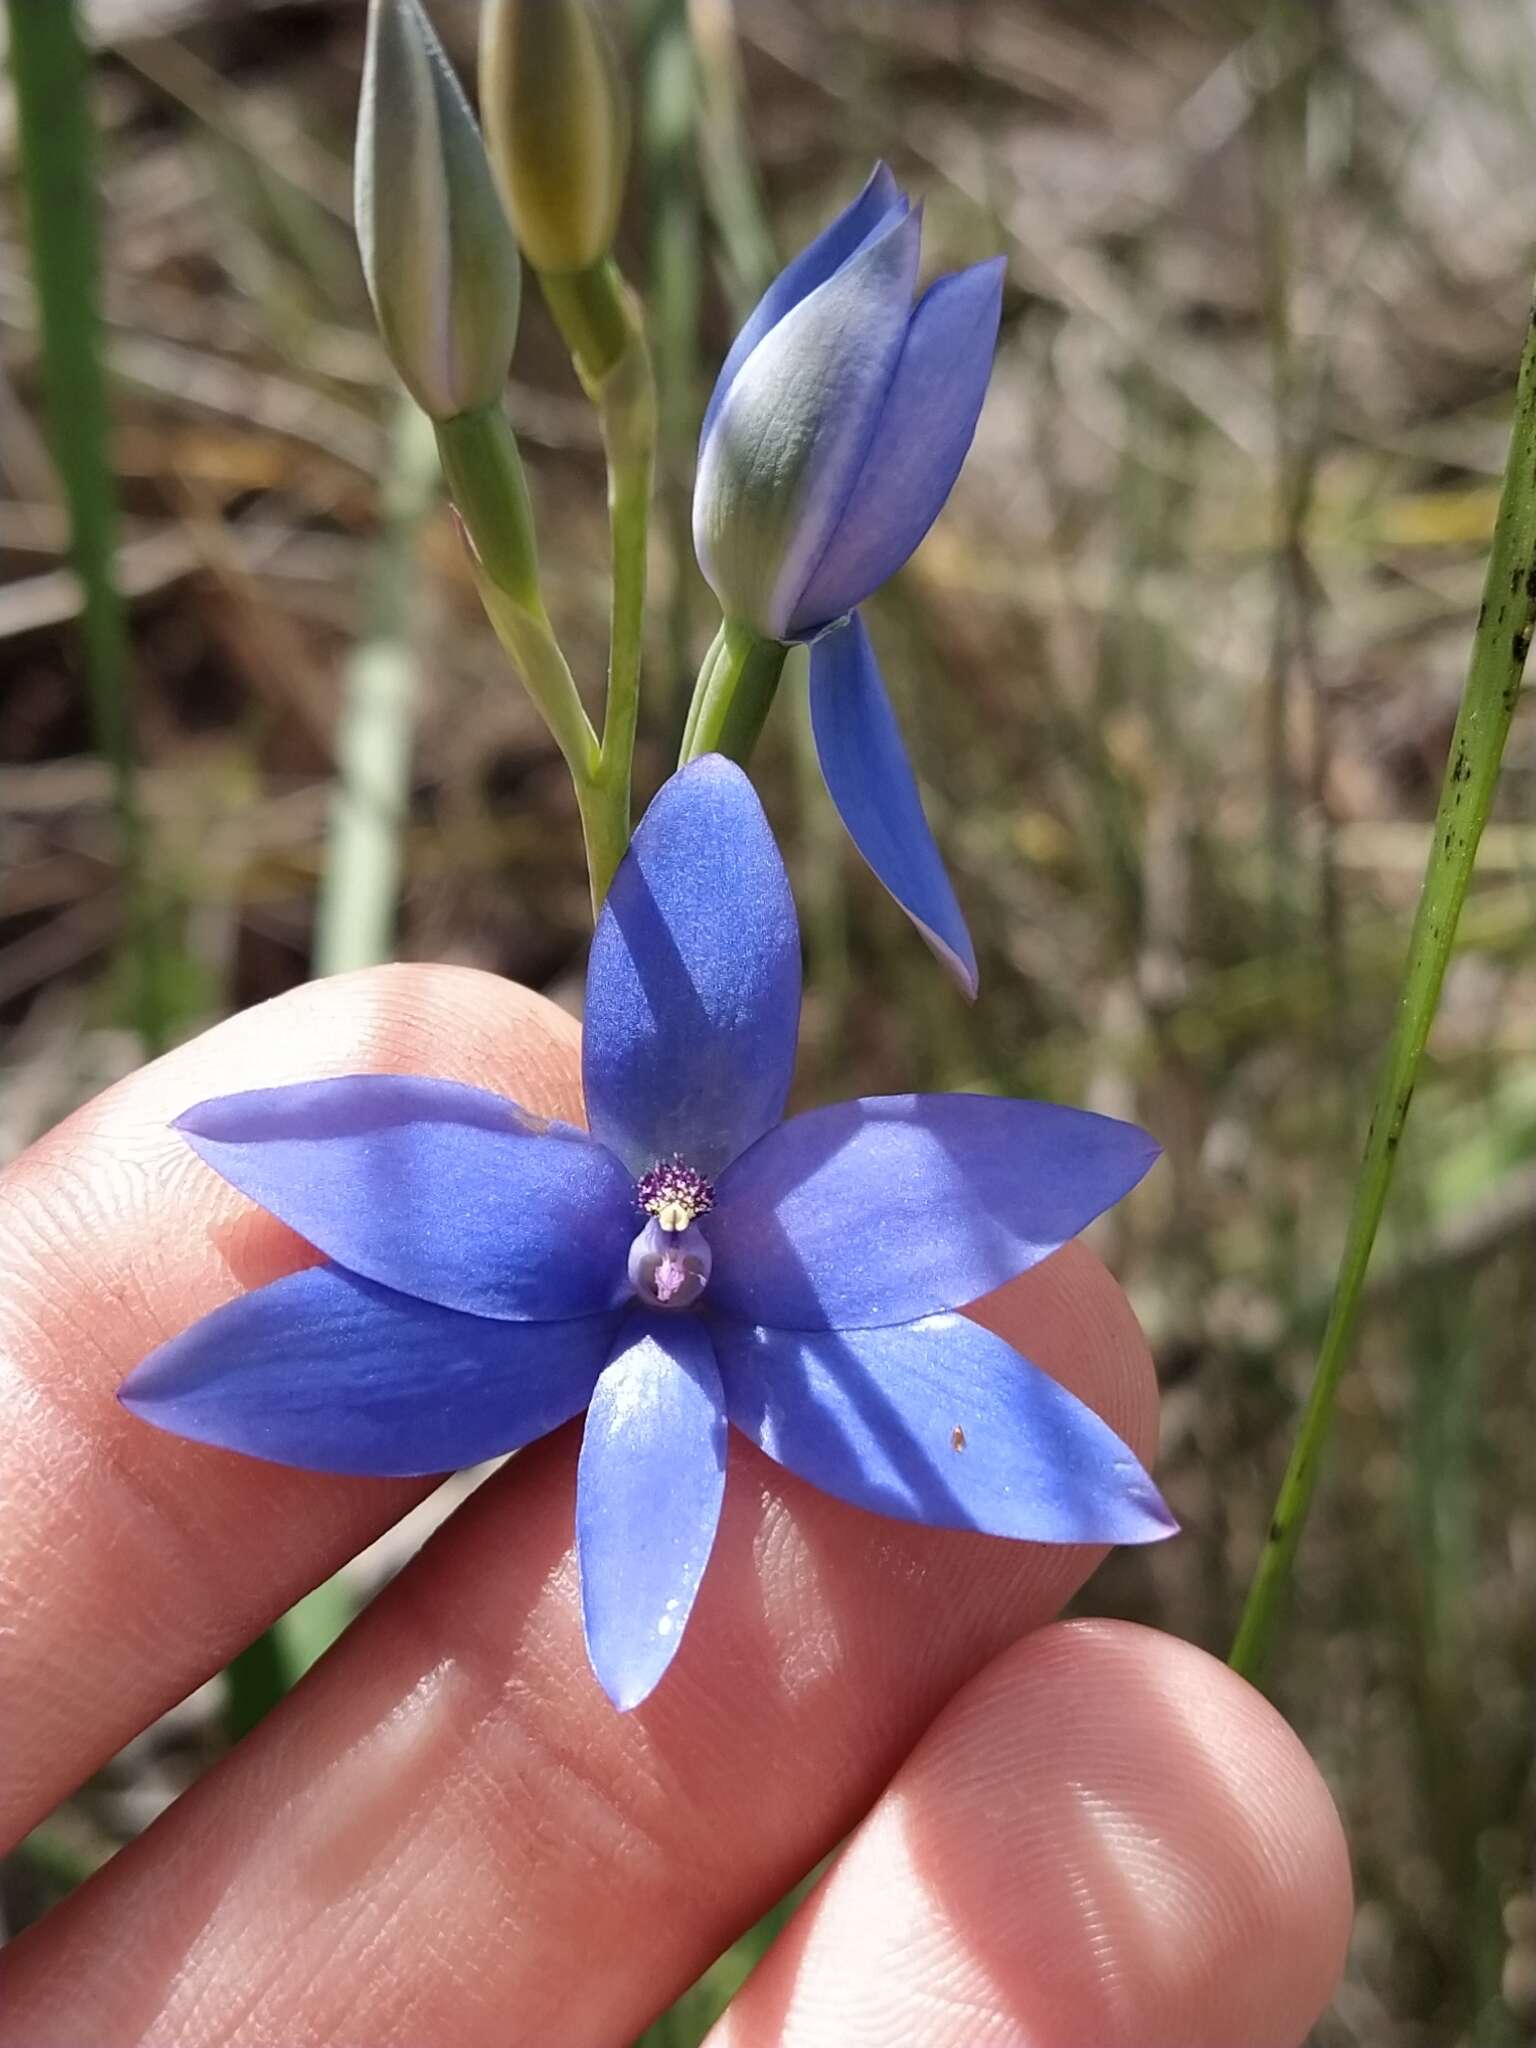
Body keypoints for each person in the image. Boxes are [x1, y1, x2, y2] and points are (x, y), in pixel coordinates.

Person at [0, 967, 1352, 2044]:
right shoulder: (617, 1261)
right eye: (665, 1229)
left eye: (681, 1231)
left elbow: (1001, 1299)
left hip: (788, 1361)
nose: (669, 1248)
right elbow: (334, 1215)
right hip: (546, 1342)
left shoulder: (750, 1272)